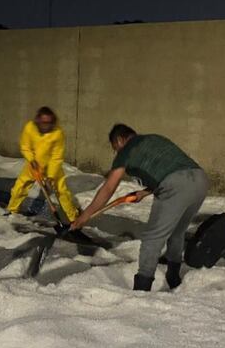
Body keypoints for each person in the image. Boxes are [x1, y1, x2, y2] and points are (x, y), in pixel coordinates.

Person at [71, 123, 209, 292]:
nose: (116, 152)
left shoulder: (126, 151)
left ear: (120, 140)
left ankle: (141, 291)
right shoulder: (155, 139)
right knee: (177, 232)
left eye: (115, 148)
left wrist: (85, 216)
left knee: (152, 238)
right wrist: (145, 192)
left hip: (176, 186)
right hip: (200, 180)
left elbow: (108, 188)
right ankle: (173, 277)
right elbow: (171, 169)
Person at [6, 106, 79, 221]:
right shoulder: (30, 128)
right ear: (38, 121)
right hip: (34, 165)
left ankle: (73, 218)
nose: (46, 125)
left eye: (49, 123)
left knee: (62, 192)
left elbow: (56, 156)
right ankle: (12, 210)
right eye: (43, 122)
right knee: (19, 187)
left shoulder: (57, 133)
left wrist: (50, 176)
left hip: (52, 167)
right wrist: (31, 160)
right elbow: (25, 146)